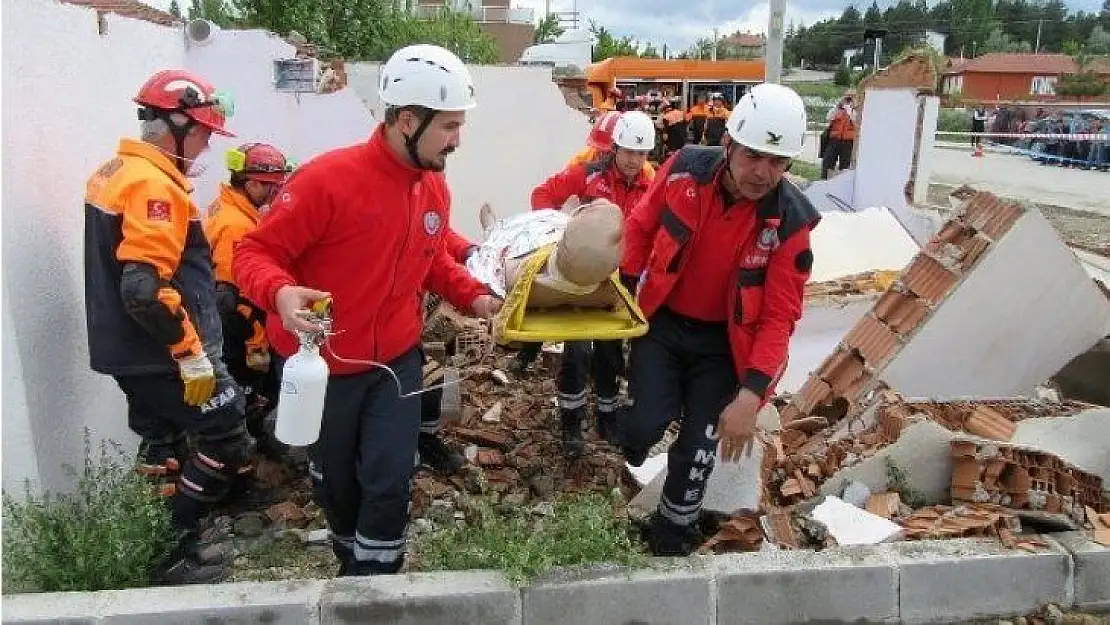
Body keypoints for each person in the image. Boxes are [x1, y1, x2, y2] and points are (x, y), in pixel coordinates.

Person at [233, 44, 501, 577]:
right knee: (337, 482)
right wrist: (281, 294)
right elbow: (254, 252)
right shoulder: (325, 181)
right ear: (407, 120)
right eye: (448, 126)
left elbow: (430, 255)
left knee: (391, 473)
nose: (457, 140)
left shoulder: (434, 186)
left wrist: (475, 294)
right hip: (322, 366)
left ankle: (376, 581)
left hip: (395, 361)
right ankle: (350, 559)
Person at [618, 83, 820, 556]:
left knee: (698, 448)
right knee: (645, 424)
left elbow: (779, 316)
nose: (763, 173)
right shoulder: (684, 169)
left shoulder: (789, 224)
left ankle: (672, 536)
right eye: (754, 156)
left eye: (778, 162)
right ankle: (630, 447)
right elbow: (642, 225)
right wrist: (623, 290)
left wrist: (751, 395)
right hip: (663, 326)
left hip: (724, 348)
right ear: (728, 145)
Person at [83, 68, 246, 584]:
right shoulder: (155, 186)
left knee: (163, 447)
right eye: (200, 133)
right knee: (226, 442)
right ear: (174, 122)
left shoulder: (115, 171)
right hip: (163, 353)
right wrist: (191, 354)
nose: (203, 147)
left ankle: (169, 553)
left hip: (126, 351)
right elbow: (144, 290)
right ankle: (170, 555)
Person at [531, 111, 657, 457]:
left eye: (641, 154)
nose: (634, 161)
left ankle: (606, 415)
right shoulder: (590, 176)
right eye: (629, 152)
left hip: (623, 280)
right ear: (614, 148)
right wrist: (562, 231)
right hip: (581, 280)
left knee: (610, 351)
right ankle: (571, 422)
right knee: (577, 351)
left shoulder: (653, 187)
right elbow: (542, 196)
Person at [204, 143, 291, 464]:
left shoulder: (228, 209)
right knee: (249, 392)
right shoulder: (235, 226)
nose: (274, 193)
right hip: (238, 331)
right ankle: (244, 460)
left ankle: (253, 443)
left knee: (251, 393)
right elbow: (234, 296)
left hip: (231, 324)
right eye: (269, 186)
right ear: (250, 183)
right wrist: (257, 344)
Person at [822, 92, 856, 178]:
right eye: (847, 97)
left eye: (851, 97)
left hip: (848, 142)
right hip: (834, 140)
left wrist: (850, 109)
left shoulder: (856, 110)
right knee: (827, 162)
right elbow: (829, 117)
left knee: (845, 167)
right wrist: (839, 105)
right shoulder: (838, 108)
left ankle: (842, 183)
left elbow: (856, 121)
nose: (848, 100)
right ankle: (824, 181)